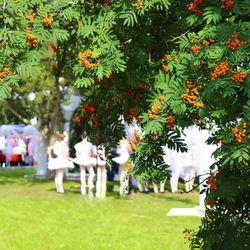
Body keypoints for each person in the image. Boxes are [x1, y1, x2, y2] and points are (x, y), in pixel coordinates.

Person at [73, 132, 95, 197]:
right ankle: (90, 182)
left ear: (81, 137)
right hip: (87, 158)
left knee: (82, 172)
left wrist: (79, 156)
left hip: (81, 158)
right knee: (92, 172)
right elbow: (91, 154)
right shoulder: (90, 144)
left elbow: (77, 154)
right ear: (87, 137)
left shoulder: (78, 145)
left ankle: (83, 184)